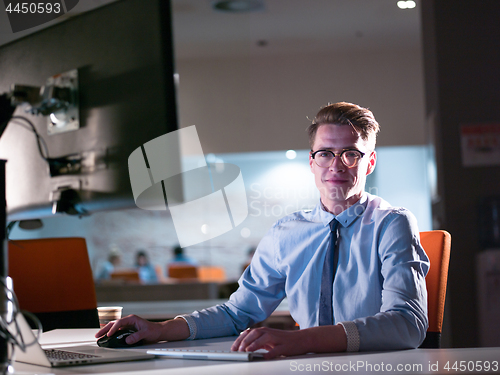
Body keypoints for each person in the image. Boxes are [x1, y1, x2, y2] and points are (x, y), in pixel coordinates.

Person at [96, 102, 429, 358]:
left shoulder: (392, 223)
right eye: (326, 153)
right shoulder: (287, 232)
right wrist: (161, 329)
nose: (336, 165)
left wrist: (301, 340)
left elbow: (408, 324)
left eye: (351, 154)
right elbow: (237, 313)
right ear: (311, 162)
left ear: (369, 162)